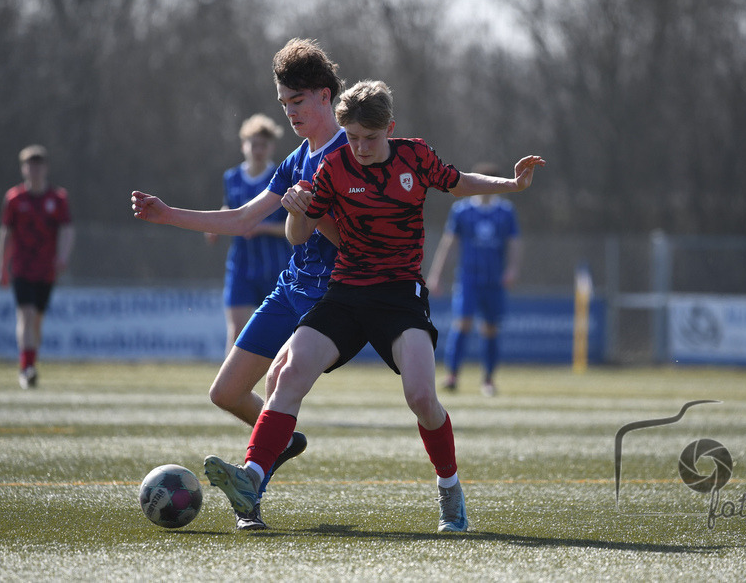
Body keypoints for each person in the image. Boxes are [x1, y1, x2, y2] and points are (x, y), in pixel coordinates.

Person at [204, 79, 545, 533]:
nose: (360, 147)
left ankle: (450, 490)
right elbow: (298, 236)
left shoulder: (415, 157)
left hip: (400, 295)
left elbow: (458, 182)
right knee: (288, 375)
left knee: (422, 396)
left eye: (370, 137)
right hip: (346, 292)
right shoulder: (333, 165)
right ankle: (251, 480)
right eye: (353, 136)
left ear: (390, 129)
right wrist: (297, 208)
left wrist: (513, 184)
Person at [130, 38, 350, 530]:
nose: (291, 112)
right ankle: (282, 441)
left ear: (325, 95)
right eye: (283, 103)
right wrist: (168, 216)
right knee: (225, 393)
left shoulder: (351, 154)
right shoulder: (295, 160)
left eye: (298, 101)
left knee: (279, 383)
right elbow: (244, 219)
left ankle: (251, 492)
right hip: (290, 288)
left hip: (334, 298)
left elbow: (361, 231)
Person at [425, 162, 521, 396]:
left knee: (490, 328)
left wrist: (512, 268)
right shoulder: (462, 210)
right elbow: (449, 243)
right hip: (468, 278)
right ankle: (452, 375)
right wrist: (436, 275)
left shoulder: (506, 212)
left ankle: (488, 380)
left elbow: (515, 243)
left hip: (493, 280)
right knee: (463, 323)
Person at [206, 114, 293, 348]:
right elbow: (229, 209)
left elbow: (292, 228)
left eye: (263, 145)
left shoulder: (282, 178)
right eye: (253, 144)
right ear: (244, 145)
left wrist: (260, 226)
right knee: (237, 331)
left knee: (281, 333)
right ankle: (235, 386)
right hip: (241, 266)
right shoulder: (232, 178)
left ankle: (281, 383)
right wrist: (216, 226)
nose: (258, 149)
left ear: (271, 147)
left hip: (275, 266)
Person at [0, 145, 75, 390]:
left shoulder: (58, 199)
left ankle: (30, 361)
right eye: (30, 165)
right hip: (21, 268)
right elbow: (6, 232)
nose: (35, 170)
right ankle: (26, 369)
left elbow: (67, 230)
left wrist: (62, 256)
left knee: (37, 320)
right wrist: (1, 265)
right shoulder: (14, 199)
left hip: (46, 270)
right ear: (23, 169)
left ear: (46, 168)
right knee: (26, 314)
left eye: (39, 165)